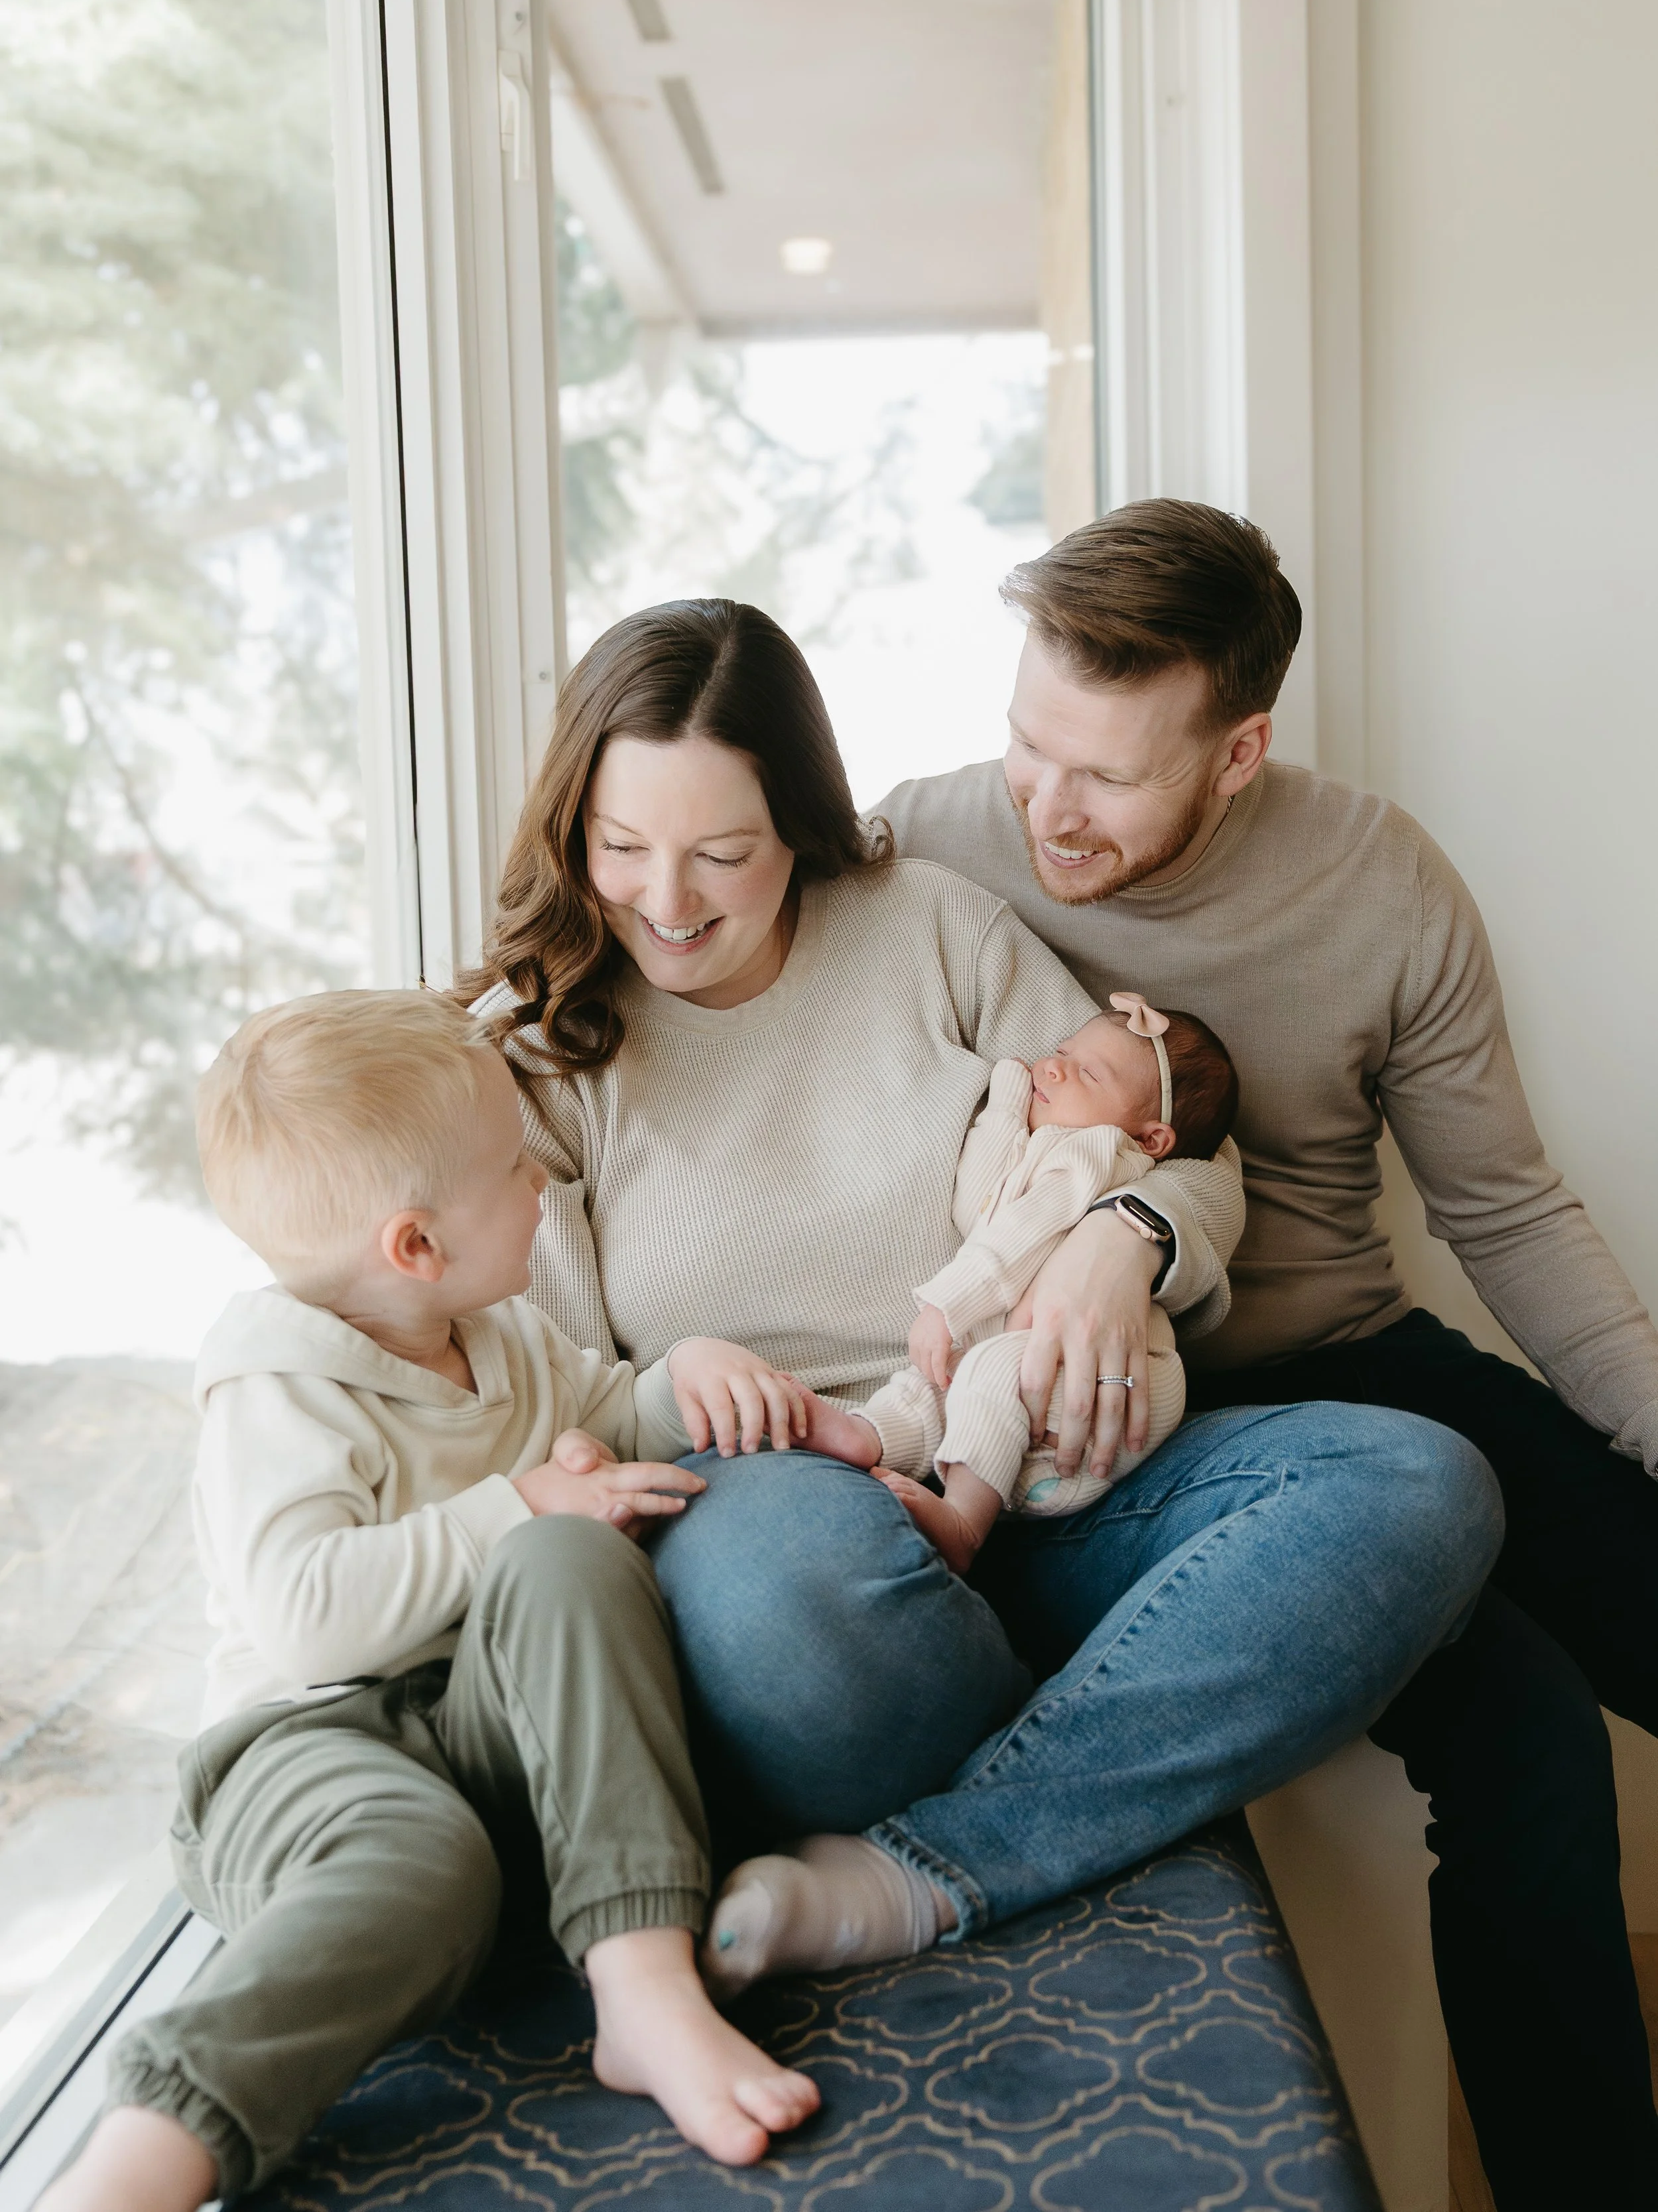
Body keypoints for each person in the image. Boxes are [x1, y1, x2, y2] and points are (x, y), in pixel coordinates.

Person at [459, 598, 1501, 2026]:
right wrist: (675, 1386)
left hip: (1049, 1478)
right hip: (791, 1524)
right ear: (570, 829)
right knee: (785, 1591)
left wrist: (1120, 1243)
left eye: (724, 852)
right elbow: (539, 1382)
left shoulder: (926, 926)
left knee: (1417, 1481)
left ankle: (935, 1861)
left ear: (800, 823)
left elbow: (1167, 1141)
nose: (668, 901)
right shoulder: (538, 1057)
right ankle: (1101, 1739)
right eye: (620, 847)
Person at [869, 499, 1658, 2209]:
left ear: (1239, 753)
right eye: (1026, 742)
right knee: (1528, 1736)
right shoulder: (923, 852)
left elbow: (1507, 1211)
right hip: (1118, 1416)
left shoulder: (1380, 878)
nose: (1044, 806)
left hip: (1362, 1355)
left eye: (1104, 774)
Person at [40, 989, 820, 2212]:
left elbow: (605, 1413)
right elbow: (307, 1615)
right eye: (515, 1169)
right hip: (301, 1753)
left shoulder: (499, 1335)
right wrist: (519, 1503)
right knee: (422, 1863)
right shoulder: (276, 1388)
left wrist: (682, 1385)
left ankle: (640, 1981)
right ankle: (146, 2154)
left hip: (470, 1731)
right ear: (415, 1245)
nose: (542, 1190)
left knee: (571, 1561)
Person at [851, 995, 1238, 1573]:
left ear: (1152, 1139)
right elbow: (977, 1204)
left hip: (1108, 1388)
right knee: (939, 1380)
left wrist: (946, 1306)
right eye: (1062, 1052)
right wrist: (1007, 1101)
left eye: (1087, 1072)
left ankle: (963, 1522)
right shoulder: (1050, 1144)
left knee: (986, 1372)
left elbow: (1014, 1238)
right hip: (1034, 1370)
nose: (1053, 1067)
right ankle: (866, 1435)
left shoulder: (1098, 1153)